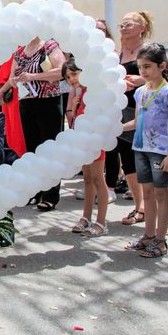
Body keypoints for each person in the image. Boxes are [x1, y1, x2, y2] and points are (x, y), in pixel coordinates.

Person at [123, 44, 168, 258]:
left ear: (162, 66)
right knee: (147, 193)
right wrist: (118, 128)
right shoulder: (140, 92)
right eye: (140, 67)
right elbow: (138, 121)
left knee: (161, 194)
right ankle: (147, 236)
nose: (143, 71)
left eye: (147, 66)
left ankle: (160, 240)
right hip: (140, 148)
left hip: (160, 151)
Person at [7, 36, 65, 211]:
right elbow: (11, 78)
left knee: (50, 149)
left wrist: (33, 76)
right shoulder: (20, 52)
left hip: (49, 102)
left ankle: (51, 194)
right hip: (27, 103)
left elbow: (62, 70)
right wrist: (14, 81)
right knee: (32, 150)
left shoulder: (49, 45)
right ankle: (35, 190)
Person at [110, 12, 152, 226]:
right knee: (128, 160)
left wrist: (140, 80)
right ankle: (139, 206)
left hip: (144, 110)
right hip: (121, 112)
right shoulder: (116, 55)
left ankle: (153, 208)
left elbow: (166, 80)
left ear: (142, 27)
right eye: (122, 24)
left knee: (145, 158)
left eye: (129, 24)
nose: (124, 27)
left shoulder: (149, 51)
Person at [63, 60, 109, 236]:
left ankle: (102, 221)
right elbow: (76, 120)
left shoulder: (94, 92)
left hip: (95, 140)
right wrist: (74, 107)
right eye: (68, 77)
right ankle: (86, 216)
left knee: (98, 178)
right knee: (88, 179)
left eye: (74, 74)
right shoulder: (80, 94)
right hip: (82, 141)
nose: (72, 79)